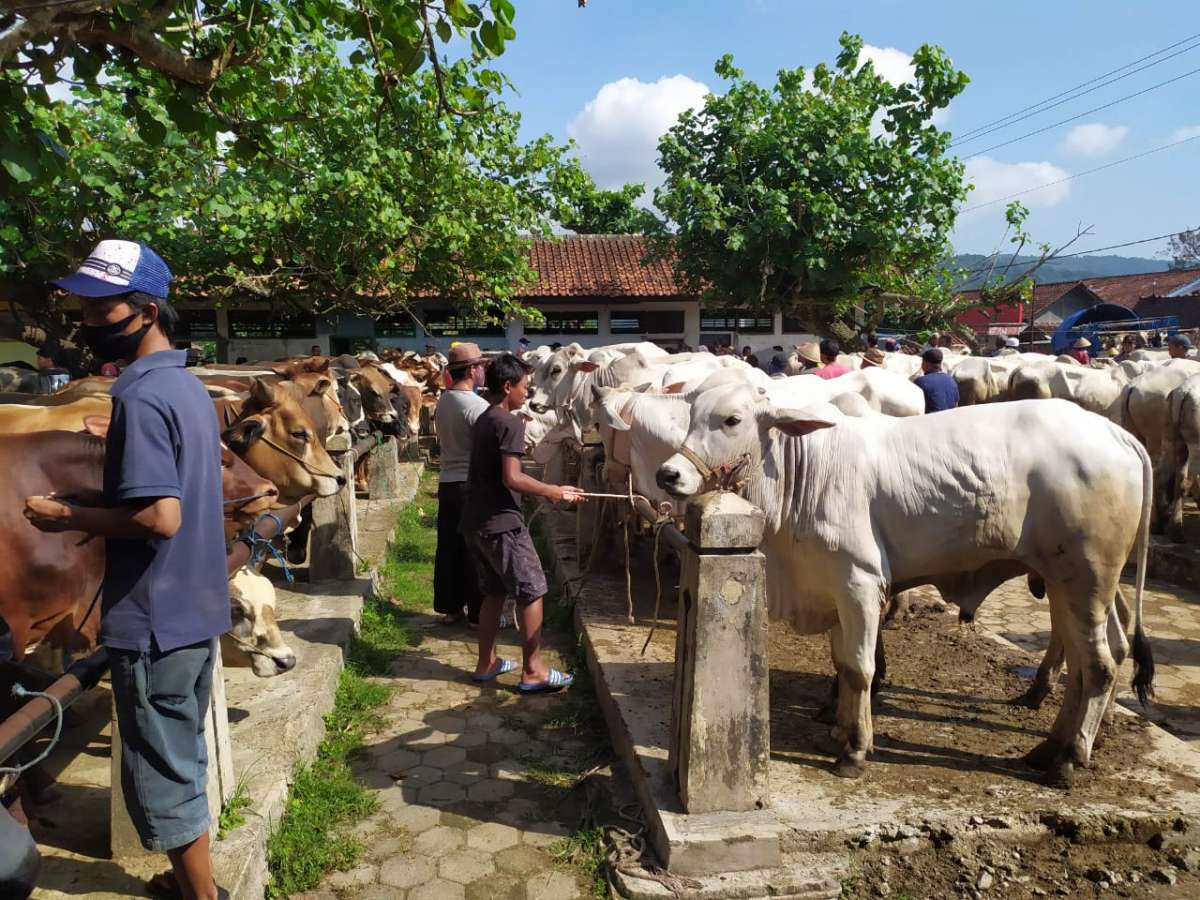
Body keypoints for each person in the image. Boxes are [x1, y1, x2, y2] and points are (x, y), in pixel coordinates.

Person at [26, 240, 230, 900]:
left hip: (154, 617)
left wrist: (68, 519)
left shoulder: (139, 398)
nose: (86, 319)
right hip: (196, 607)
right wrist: (93, 501)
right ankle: (188, 881)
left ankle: (202, 897)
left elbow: (159, 517)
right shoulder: (186, 385)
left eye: (98, 306)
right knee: (183, 754)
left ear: (144, 310)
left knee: (161, 769)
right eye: (82, 305)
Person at [462, 354, 584, 690]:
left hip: (475, 521)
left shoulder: (485, 417)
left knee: (494, 592)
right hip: (502, 523)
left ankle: (486, 662)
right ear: (507, 386)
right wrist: (553, 491)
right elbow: (512, 478)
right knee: (532, 590)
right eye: (525, 387)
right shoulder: (510, 422)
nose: (527, 394)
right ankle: (533, 670)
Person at [434, 343, 489, 627]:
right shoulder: (477, 406)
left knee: (449, 547)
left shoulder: (443, 401)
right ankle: (479, 614)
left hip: (447, 482)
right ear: (470, 370)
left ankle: (451, 608)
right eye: (480, 366)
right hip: (470, 485)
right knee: (475, 550)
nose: (483, 371)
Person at [914, 348, 959, 413]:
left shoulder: (920, 382)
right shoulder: (951, 380)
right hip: (950, 420)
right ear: (940, 363)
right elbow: (956, 404)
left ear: (926, 363)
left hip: (930, 421)